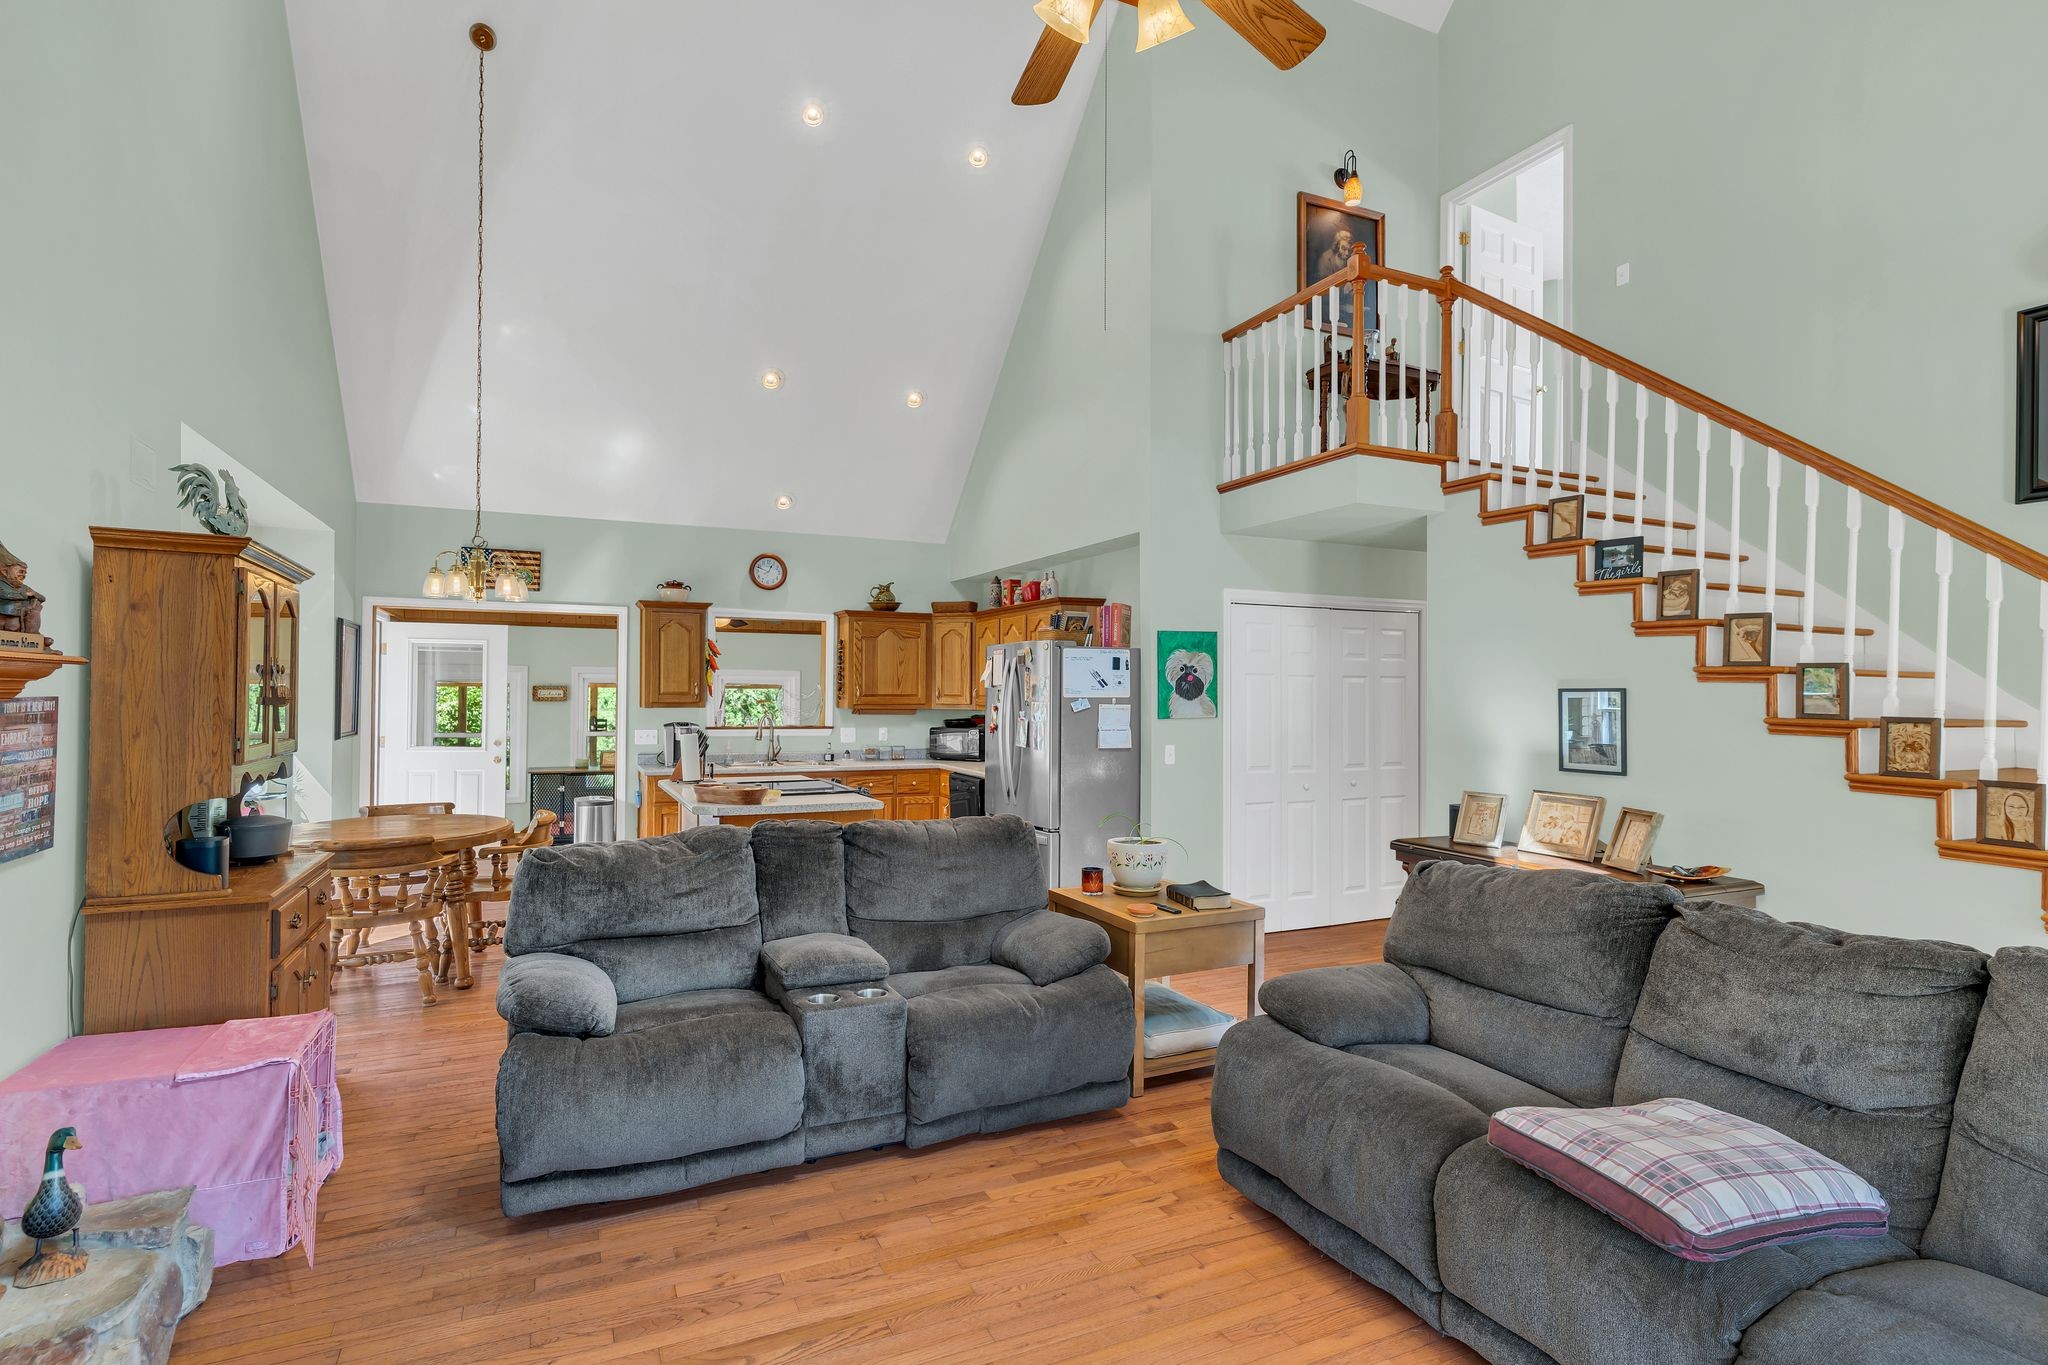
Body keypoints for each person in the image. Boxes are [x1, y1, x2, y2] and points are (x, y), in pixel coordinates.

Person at [0, 540, 47, 641]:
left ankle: (33, 638)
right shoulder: (2, 584)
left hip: (19, 617)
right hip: (5, 616)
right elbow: (5, 594)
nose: (23, 575)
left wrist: (34, 594)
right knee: (11, 628)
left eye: (25, 572)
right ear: (5, 571)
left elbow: (43, 598)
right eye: (20, 571)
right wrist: (24, 594)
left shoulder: (23, 587)